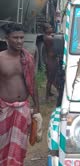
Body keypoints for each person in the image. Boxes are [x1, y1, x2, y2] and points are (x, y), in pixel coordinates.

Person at [0, 23, 40, 165]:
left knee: (19, 147)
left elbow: (32, 83)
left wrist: (37, 108)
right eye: (15, 37)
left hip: (23, 109)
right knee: (2, 145)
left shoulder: (27, 58)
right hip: (4, 109)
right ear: (6, 39)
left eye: (22, 37)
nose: (19, 41)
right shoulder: (1, 59)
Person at [43, 23, 58, 99]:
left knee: (51, 77)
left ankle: (49, 93)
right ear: (46, 30)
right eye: (50, 28)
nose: (51, 29)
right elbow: (55, 39)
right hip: (51, 60)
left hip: (51, 59)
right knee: (50, 78)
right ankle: (46, 96)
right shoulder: (48, 38)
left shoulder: (47, 36)